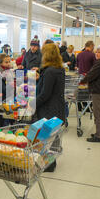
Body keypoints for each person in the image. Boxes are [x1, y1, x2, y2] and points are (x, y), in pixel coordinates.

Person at [35, 43, 66, 172]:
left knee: (46, 138)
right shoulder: (59, 69)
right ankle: (51, 162)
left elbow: (45, 94)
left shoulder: (49, 72)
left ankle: (48, 164)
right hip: (58, 107)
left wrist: (32, 104)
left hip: (48, 108)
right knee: (54, 136)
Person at [0, 53, 16, 127]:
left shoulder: (8, 70)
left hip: (8, 99)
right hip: (0, 100)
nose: (8, 64)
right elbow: (2, 88)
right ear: (0, 62)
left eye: (9, 61)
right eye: (6, 62)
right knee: (1, 122)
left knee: (11, 120)